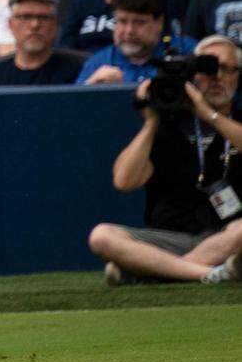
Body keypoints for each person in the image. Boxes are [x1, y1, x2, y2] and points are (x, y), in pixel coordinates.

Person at [88, 34, 242, 285]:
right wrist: (150, 122)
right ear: (193, 75)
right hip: (169, 238)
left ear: (238, 75)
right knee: (102, 235)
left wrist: (210, 115)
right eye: (207, 68)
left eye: (226, 69)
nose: (216, 77)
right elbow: (124, 181)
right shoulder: (169, 125)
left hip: (226, 235)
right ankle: (207, 273)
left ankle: (150, 272)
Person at [76, 0, 196, 85]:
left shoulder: (188, 51)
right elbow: (74, 108)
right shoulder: (98, 62)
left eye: (139, 22)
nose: (129, 31)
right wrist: (91, 86)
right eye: (122, 21)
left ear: (159, 23)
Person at [0, 0, 83, 86]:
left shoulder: (78, 70)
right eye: (25, 17)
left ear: (55, 24)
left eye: (43, 17)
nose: (34, 25)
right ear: (10, 25)